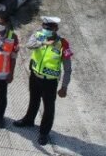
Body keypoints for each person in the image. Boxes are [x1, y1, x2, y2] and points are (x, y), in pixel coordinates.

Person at [14, 16, 73, 146]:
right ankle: (29, 120)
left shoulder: (63, 44)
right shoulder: (38, 35)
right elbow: (29, 45)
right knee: (33, 100)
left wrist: (64, 87)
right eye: (44, 27)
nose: (45, 29)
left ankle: (44, 132)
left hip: (50, 82)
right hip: (35, 76)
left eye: (49, 27)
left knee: (48, 108)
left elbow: (68, 69)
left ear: (56, 28)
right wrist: (43, 43)